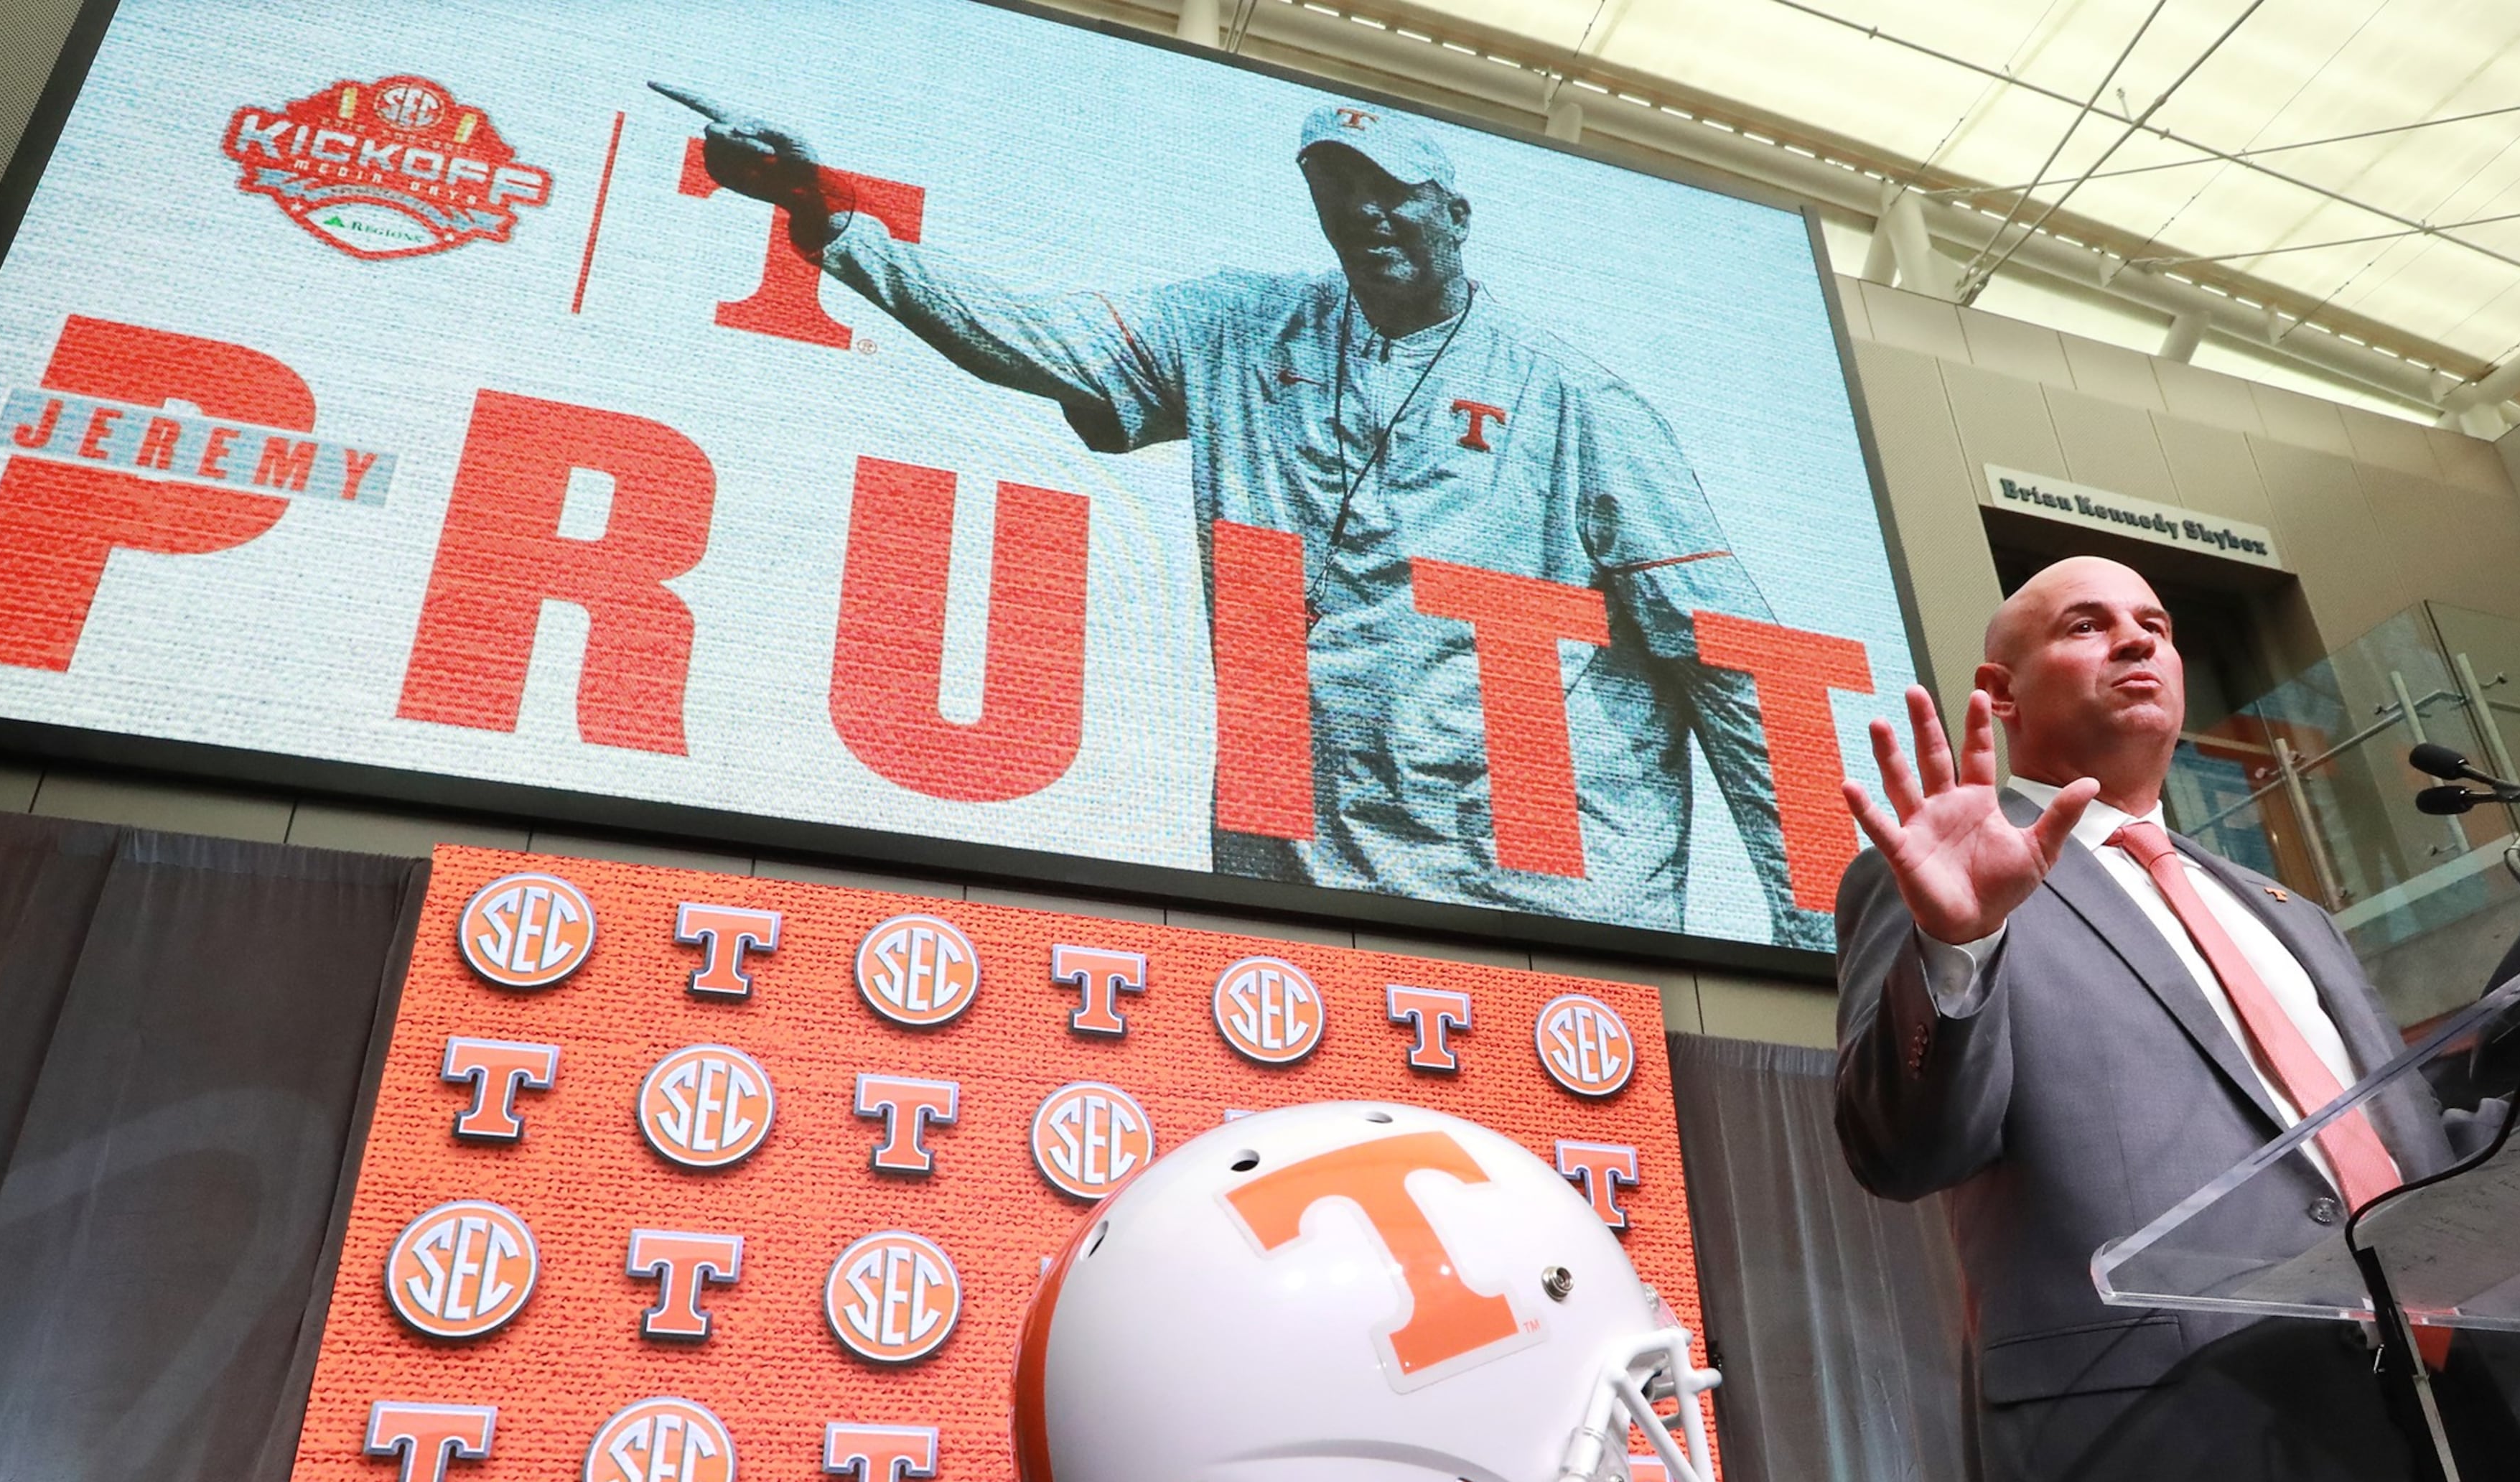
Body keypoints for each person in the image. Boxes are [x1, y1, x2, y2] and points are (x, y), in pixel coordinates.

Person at [656, 83, 1827, 946]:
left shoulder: (1576, 402)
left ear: (1457, 216)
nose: (1365, 216)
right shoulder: (1237, 328)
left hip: (1535, 911)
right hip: (1308, 899)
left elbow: (1744, 663)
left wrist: (1824, 943)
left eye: (1395, 194)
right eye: (1337, 192)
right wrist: (830, 221)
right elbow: (1025, 333)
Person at [1833, 555, 2520, 1482]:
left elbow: (2401, 1164)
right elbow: (1905, 1144)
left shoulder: (2288, 913)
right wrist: (1958, 952)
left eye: (2159, 627)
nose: (2137, 644)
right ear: (1996, 690)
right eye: (2086, 624)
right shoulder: (1953, 872)